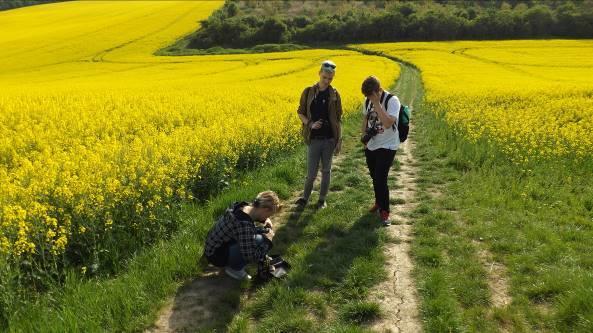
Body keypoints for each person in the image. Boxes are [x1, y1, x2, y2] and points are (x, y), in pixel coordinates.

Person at [295, 60, 343, 209]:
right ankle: (305, 198)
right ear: (319, 74)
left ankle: (322, 200)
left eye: (330, 79)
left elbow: (339, 119)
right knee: (311, 173)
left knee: (326, 170)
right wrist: (310, 124)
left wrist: (339, 139)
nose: (327, 81)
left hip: (329, 139)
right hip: (314, 138)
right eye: (324, 77)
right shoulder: (308, 92)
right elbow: (300, 113)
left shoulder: (335, 94)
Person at [204, 191, 281, 280]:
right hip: (217, 257)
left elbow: (249, 226)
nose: (268, 217)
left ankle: (233, 260)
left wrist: (265, 220)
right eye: (269, 214)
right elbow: (250, 257)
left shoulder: (242, 206)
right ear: (265, 209)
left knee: (259, 234)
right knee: (261, 240)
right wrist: (268, 241)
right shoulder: (243, 224)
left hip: (212, 249)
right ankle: (235, 269)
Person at [361, 76, 401, 226]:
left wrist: (377, 103)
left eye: (371, 95)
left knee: (380, 178)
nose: (369, 99)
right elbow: (365, 119)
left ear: (379, 91)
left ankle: (385, 211)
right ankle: (378, 201)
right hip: (371, 144)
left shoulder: (392, 101)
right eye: (367, 96)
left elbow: (388, 123)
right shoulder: (367, 101)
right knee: (373, 176)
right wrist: (363, 137)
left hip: (388, 145)